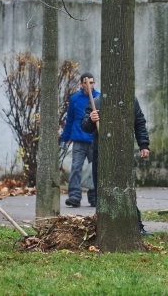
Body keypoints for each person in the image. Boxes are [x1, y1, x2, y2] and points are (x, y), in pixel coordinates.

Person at [82, 95, 152, 236]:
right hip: (101, 153)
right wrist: (91, 119)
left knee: (125, 191)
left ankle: (136, 226)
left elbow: (139, 122)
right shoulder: (96, 102)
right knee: (101, 192)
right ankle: (104, 227)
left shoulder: (130, 100)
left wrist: (144, 145)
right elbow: (84, 126)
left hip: (123, 153)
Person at [62, 73, 100, 208]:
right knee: (76, 168)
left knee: (94, 169)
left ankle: (94, 196)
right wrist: (65, 138)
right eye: (87, 83)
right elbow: (70, 119)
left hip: (93, 139)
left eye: (92, 82)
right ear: (81, 84)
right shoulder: (75, 99)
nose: (90, 85)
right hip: (78, 138)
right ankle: (74, 196)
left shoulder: (98, 98)